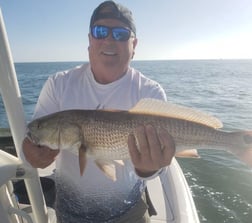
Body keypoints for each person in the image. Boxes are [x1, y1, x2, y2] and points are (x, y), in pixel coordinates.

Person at [22, 1, 176, 222]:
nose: (109, 39)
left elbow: (158, 167)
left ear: (135, 44)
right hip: (70, 214)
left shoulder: (150, 91)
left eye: (121, 34)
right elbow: (32, 142)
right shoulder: (59, 84)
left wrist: (147, 169)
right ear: (89, 40)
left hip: (130, 213)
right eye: (100, 31)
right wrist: (33, 155)